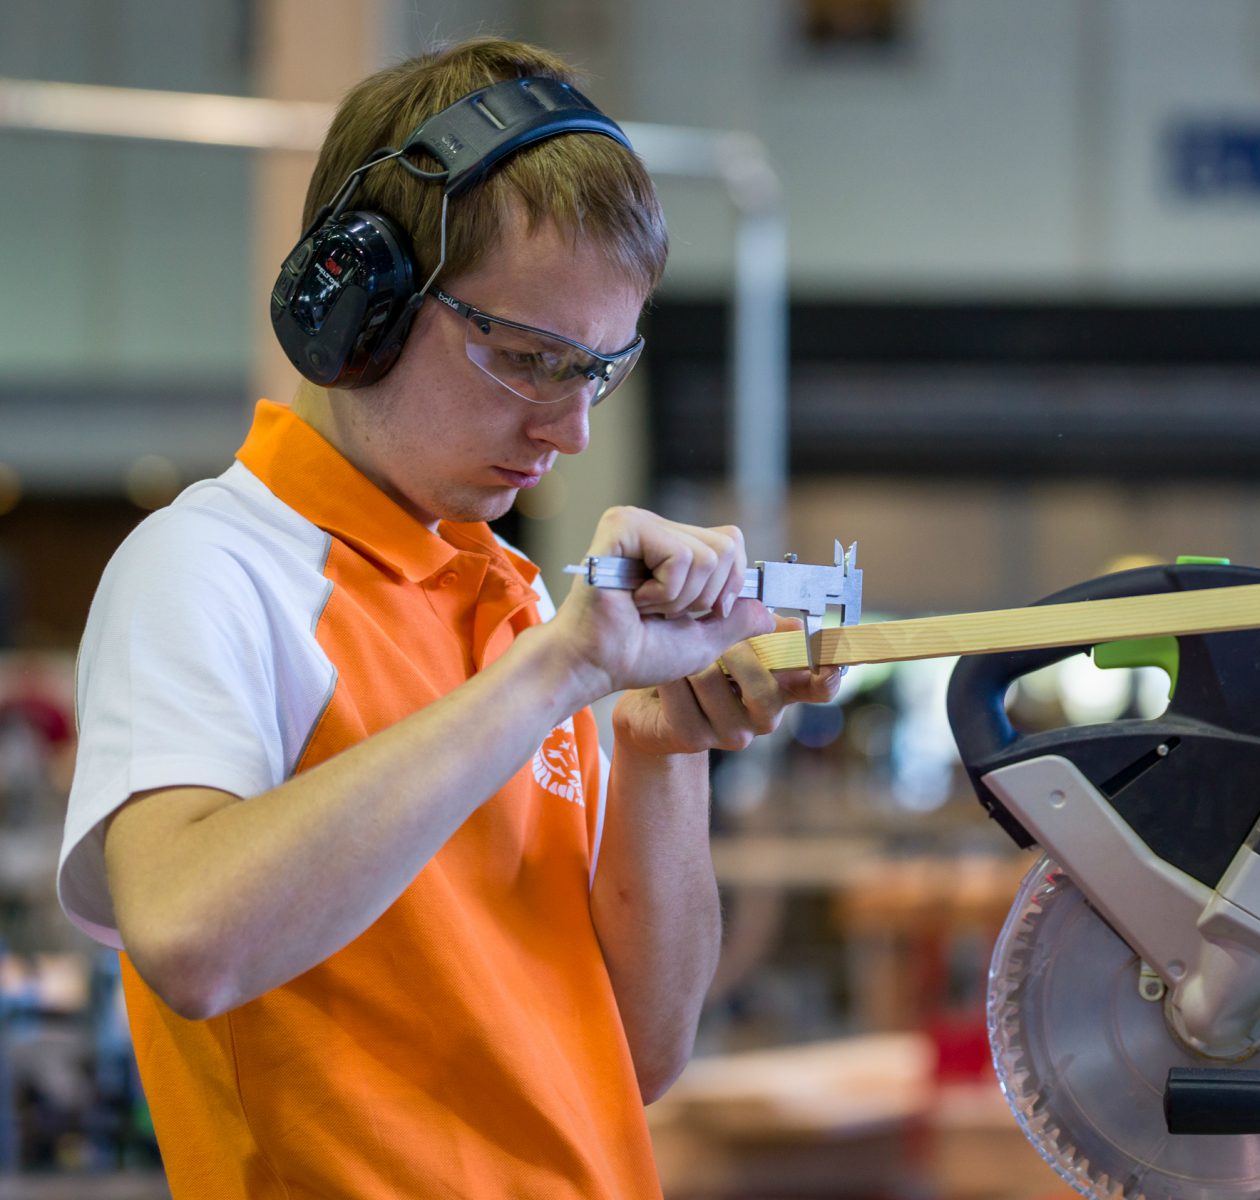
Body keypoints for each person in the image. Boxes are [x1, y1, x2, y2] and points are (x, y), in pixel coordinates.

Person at [55, 38, 838, 1196]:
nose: (567, 432)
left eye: (598, 372)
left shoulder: (524, 610)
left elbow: (639, 1054)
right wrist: (556, 677)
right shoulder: (215, 570)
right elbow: (188, 938)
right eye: (529, 359)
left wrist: (656, 745)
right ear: (357, 304)